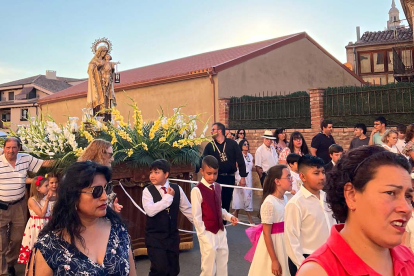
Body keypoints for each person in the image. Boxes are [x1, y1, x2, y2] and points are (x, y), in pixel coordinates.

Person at [297, 146, 414, 275]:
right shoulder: (319, 272)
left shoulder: (407, 257)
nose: (406, 208)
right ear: (351, 195)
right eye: (390, 193)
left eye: (408, 196)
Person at [27, 161, 136, 276]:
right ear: (73, 196)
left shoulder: (118, 230)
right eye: (96, 191)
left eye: (106, 188)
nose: (104, 197)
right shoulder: (50, 246)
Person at [0, 137, 53, 276]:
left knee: (17, 239)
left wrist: (66, 159)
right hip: (1, 208)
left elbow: (44, 163)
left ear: (19, 148)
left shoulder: (25, 158)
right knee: (1, 243)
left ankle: (10, 264)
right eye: (8, 147)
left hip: (19, 205)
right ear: (4, 148)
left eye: (14, 147)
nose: (11, 150)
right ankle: (3, 271)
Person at [284, 155, 336, 276]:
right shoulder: (296, 204)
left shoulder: (327, 198)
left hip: (330, 257)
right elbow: (291, 241)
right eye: (316, 173)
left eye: (323, 172)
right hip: (308, 259)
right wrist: (304, 266)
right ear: (302, 176)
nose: (322, 177)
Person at [142, 159, 193, 276]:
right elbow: (150, 211)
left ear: (166, 174)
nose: (152, 176)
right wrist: (168, 199)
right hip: (155, 237)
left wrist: (202, 226)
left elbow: (187, 210)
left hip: (172, 237)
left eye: (156, 172)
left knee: (173, 270)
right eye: (151, 173)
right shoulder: (147, 191)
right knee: (159, 269)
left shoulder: (177, 188)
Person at [191, 156, 238, 276]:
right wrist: (203, 235)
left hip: (221, 231)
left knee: (223, 264)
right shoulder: (197, 190)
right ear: (201, 171)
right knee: (208, 267)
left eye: (215, 173)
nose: (212, 177)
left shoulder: (218, 187)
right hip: (208, 233)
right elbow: (196, 217)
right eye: (209, 173)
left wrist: (229, 217)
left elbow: (219, 208)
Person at [247, 165, 292, 276]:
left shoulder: (284, 198)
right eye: (288, 177)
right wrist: (274, 260)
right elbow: (266, 234)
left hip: (284, 242)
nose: (291, 179)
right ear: (277, 181)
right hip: (275, 245)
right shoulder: (269, 203)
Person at [202, 122, 247, 214]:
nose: (211, 132)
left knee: (226, 204)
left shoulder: (232, 144)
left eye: (213, 130)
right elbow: (204, 160)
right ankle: (215, 225)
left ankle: (223, 226)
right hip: (216, 178)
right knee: (215, 203)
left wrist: (243, 177)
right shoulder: (210, 146)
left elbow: (241, 160)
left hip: (229, 178)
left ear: (219, 131)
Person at [78, 139, 123, 213]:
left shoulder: (104, 175)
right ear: (100, 154)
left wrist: (111, 208)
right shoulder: (83, 175)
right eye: (110, 155)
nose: (112, 159)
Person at [17, 176, 53, 264]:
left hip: (46, 224)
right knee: (35, 245)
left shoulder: (46, 197)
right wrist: (47, 201)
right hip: (36, 225)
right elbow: (41, 214)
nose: (49, 187)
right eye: (46, 185)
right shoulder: (32, 200)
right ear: (38, 188)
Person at [232, 139, 254, 225]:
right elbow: (235, 168)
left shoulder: (250, 156)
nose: (246, 145)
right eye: (244, 144)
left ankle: (235, 214)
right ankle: (249, 218)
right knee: (239, 196)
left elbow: (250, 166)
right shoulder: (238, 156)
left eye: (247, 144)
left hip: (249, 178)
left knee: (248, 197)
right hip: (240, 177)